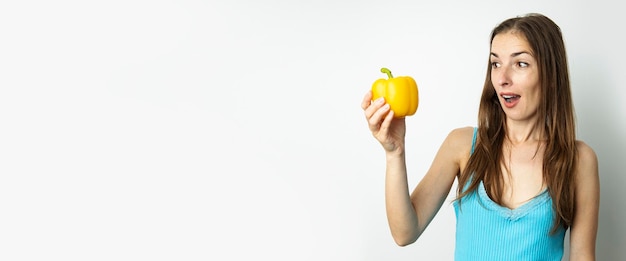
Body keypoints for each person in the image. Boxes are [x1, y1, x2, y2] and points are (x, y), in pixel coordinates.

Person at [360, 13, 599, 260]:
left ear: (550, 76)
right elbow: (404, 233)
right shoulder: (462, 145)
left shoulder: (579, 161)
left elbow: (582, 256)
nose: (503, 79)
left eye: (520, 64)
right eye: (496, 64)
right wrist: (394, 152)